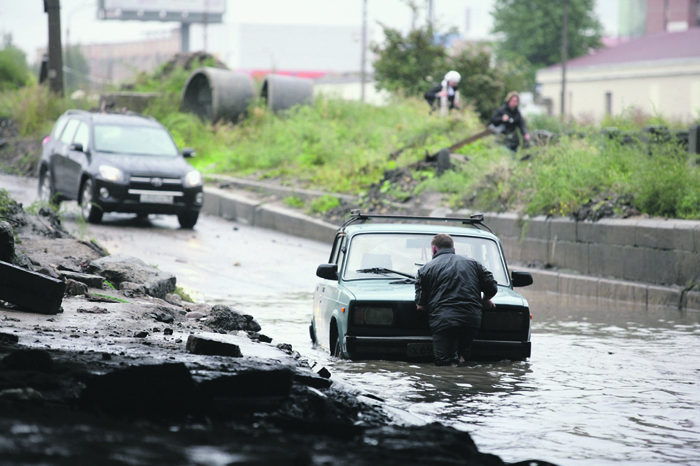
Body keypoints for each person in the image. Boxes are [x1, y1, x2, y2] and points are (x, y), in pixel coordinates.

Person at [415, 233, 497, 367]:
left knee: (445, 363)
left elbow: (421, 306)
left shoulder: (425, 270)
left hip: (443, 322)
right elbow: (492, 287)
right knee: (460, 356)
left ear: (434, 250)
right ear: (453, 249)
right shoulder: (474, 264)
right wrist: (485, 299)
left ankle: (452, 381)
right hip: (471, 321)